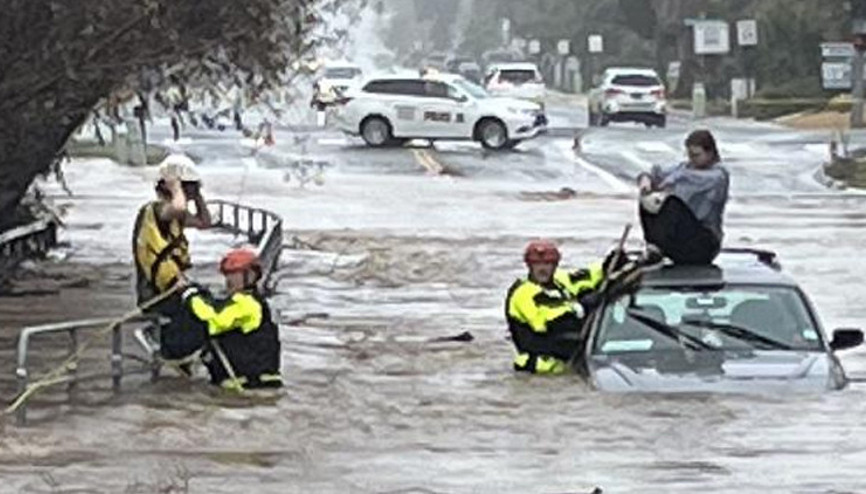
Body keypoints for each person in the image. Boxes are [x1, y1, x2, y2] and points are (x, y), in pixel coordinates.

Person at [132, 154, 212, 362]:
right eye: (187, 188)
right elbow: (178, 208)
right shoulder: (158, 210)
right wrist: (176, 187)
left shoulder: (176, 217)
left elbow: (204, 222)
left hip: (173, 287)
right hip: (155, 293)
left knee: (207, 305)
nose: (188, 193)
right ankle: (162, 343)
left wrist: (198, 196)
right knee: (194, 313)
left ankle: (181, 354)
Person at [505, 240, 625, 375]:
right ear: (529, 266)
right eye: (537, 264)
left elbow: (587, 276)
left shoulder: (560, 281)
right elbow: (557, 320)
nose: (542, 269)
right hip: (538, 371)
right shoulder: (524, 293)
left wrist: (608, 264)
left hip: (566, 366)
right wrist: (584, 305)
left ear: (555, 265)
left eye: (547, 264)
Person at [181, 248, 282, 390]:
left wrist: (191, 297)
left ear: (251, 275)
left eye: (235, 274)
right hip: (247, 386)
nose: (229, 280)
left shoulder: (247, 304)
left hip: (250, 388)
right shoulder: (243, 302)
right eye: (227, 275)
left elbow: (214, 322)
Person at [637, 129, 729, 265]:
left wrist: (670, 181)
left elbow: (688, 178)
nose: (692, 159)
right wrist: (646, 179)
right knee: (648, 201)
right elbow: (658, 173)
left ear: (710, 153)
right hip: (680, 240)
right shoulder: (685, 167)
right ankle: (654, 246)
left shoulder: (718, 176)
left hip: (704, 242)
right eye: (690, 155)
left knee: (672, 204)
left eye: (696, 155)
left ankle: (658, 246)